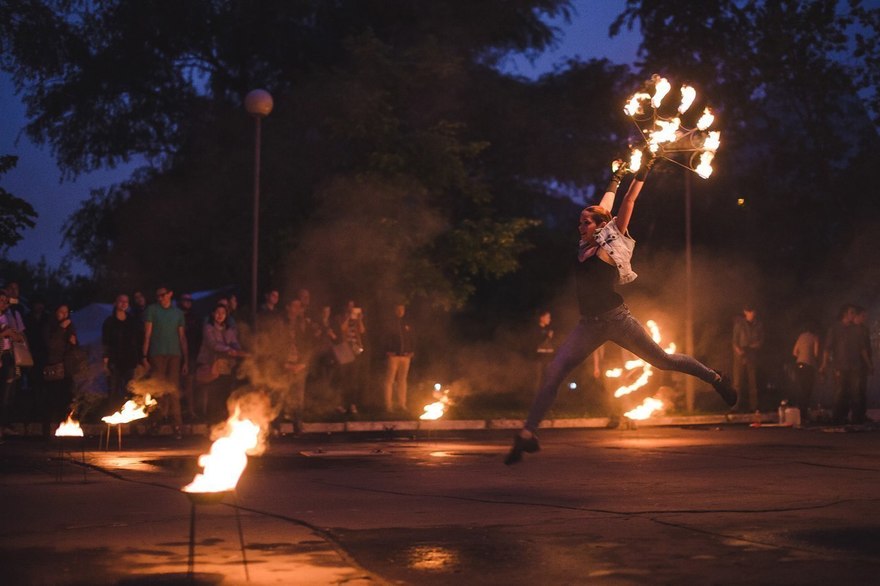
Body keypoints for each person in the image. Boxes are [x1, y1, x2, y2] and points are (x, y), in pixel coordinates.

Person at [505, 155, 737, 465]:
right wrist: (615, 177)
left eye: (586, 222)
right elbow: (606, 203)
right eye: (580, 221)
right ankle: (527, 434)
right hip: (589, 325)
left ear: (601, 226)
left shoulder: (608, 247)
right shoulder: (586, 244)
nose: (580, 226)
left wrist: (644, 168)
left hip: (617, 320)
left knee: (664, 361)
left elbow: (627, 202)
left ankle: (716, 378)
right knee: (554, 372)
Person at [142, 285, 188, 439]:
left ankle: (177, 426)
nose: (160, 298)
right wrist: (144, 356)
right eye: (158, 296)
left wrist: (186, 360)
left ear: (170, 294)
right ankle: (156, 422)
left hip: (174, 354)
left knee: (173, 389)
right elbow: (147, 334)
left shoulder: (178, 313)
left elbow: (182, 337)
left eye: (163, 295)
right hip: (157, 353)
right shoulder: (152, 310)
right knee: (159, 389)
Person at [820, 303, 870, 425]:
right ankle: (837, 418)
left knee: (856, 393)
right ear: (845, 314)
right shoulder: (835, 328)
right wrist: (824, 365)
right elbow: (827, 348)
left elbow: (862, 349)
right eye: (851, 312)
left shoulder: (857, 329)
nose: (854, 315)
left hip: (855, 366)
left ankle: (857, 419)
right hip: (840, 366)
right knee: (840, 392)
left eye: (854, 313)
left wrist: (868, 364)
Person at [196, 303, 243, 425]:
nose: (220, 315)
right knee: (214, 394)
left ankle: (223, 423)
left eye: (223, 313)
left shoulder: (229, 330)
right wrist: (229, 350)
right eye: (217, 313)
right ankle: (212, 422)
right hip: (211, 365)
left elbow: (235, 343)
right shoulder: (208, 328)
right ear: (213, 314)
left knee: (225, 393)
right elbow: (213, 344)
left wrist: (238, 351)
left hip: (226, 366)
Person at [101, 294, 142, 408]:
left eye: (126, 301)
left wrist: (139, 360)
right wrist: (105, 362)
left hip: (130, 360)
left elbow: (137, 341)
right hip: (115, 361)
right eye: (121, 301)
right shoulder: (109, 322)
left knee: (130, 389)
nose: (124, 303)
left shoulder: (132, 321)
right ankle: (113, 413)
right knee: (113, 390)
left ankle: (130, 414)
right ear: (115, 303)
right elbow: (106, 342)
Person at [42, 303, 77, 433]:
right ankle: (48, 429)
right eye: (61, 311)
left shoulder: (70, 327)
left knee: (66, 399)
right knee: (52, 398)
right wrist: (61, 329)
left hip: (67, 367)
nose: (64, 314)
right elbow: (51, 345)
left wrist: (73, 341)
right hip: (54, 366)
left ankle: (64, 426)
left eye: (66, 312)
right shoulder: (49, 326)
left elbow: (73, 346)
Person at [0, 290, 26, 438]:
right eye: (1, 300)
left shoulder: (9, 317)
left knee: (6, 394)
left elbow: (19, 336)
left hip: (8, 356)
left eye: (5, 301)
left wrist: (14, 335)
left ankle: (3, 426)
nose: (3, 303)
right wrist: (3, 334)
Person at [334, 300, 366, 415]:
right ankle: (341, 404)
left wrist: (360, 320)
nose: (351, 308)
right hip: (343, 349)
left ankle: (352, 404)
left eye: (352, 306)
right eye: (349, 306)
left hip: (355, 349)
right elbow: (342, 329)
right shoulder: (340, 317)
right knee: (344, 378)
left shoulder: (356, 320)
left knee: (353, 378)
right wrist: (348, 318)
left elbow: (362, 330)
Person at [731, 304, 764, 412]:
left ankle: (754, 407)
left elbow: (760, 341)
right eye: (749, 311)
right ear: (745, 312)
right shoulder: (739, 324)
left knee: (753, 383)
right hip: (740, 356)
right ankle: (735, 406)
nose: (751, 314)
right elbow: (734, 341)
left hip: (752, 355)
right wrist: (740, 352)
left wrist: (753, 347)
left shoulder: (758, 325)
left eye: (752, 311)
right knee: (737, 383)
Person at [383, 303, 415, 413]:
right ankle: (388, 405)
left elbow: (412, 338)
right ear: (395, 310)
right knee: (390, 380)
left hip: (405, 356)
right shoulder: (390, 323)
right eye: (398, 309)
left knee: (403, 380)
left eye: (402, 309)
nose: (400, 311)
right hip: (394, 356)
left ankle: (402, 404)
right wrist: (387, 350)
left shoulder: (407, 323)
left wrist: (411, 351)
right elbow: (385, 337)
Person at [178, 292, 202, 421]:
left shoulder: (195, 318)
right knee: (175, 384)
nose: (187, 302)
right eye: (184, 300)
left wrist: (196, 354)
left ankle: (190, 411)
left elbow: (198, 337)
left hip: (192, 354)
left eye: (189, 301)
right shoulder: (176, 315)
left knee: (190, 384)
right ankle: (176, 412)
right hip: (176, 352)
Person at [791, 322, 820, 418]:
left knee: (800, 388)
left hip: (799, 364)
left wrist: (802, 355)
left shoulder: (801, 336)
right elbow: (816, 353)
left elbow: (794, 352)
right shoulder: (815, 337)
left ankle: (799, 411)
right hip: (809, 365)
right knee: (807, 390)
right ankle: (804, 412)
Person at [851, 306, 873, 424]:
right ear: (856, 316)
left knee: (861, 391)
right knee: (856, 391)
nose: (865, 318)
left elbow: (867, 347)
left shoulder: (864, 329)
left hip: (862, 364)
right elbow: (861, 349)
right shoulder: (851, 329)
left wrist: (869, 363)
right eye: (863, 316)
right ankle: (856, 416)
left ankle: (861, 415)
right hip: (855, 364)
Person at [533, 310, 556, 391]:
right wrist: (547, 336)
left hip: (548, 357)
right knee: (539, 378)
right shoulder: (536, 329)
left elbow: (549, 344)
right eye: (547, 317)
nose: (549, 319)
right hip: (540, 357)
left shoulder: (548, 329)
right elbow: (536, 342)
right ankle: (536, 394)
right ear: (542, 318)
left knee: (548, 377)